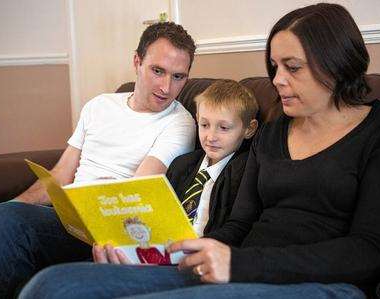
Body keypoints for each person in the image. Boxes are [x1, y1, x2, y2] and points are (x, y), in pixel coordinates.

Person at [18, 3, 380, 299]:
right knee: (54, 285)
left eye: (292, 67)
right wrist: (154, 253)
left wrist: (239, 264)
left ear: (335, 63)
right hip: (240, 267)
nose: (277, 80)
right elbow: (238, 225)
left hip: (322, 283)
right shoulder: (274, 133)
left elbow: (373, 248)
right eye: (274, 66)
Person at [0, 21, 196, 299]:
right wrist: (12, 206)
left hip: (96, 230)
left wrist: (6, 215)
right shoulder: (99, 105)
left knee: (4, 221)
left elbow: (136, 193)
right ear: (137, 62)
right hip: (64, 215)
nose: (166, 87)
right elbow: (60, 175)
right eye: (158, 71)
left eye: (178, 77)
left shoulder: (179, 123)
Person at [91, 79, 259, 263]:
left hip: (200, 257)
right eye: (204, 125)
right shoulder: (182, 165)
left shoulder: (246, 170)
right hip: (160, 252)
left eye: (224, 128)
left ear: (249, 129)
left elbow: (237, 228)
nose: (211, 137)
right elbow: (158, 214)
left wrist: (193, 249)